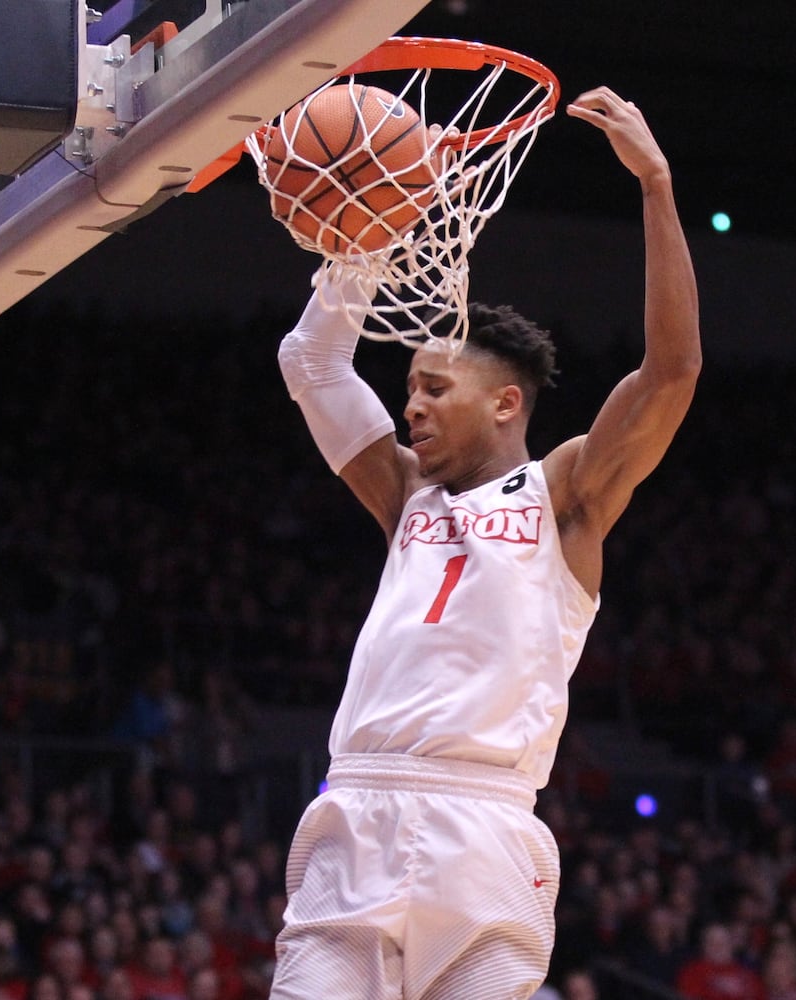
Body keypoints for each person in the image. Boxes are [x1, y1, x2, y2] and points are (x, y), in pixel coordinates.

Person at [268, 86, 701, 1000]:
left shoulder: (568, 494)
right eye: (409, 389)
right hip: (359, 807)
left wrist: (656, 187)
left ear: (505, 403)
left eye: (433, 388)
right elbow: (309, 362)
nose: (411, 405)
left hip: (486, 822)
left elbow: (671, 373)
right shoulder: (401, 492)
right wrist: (362, 236)